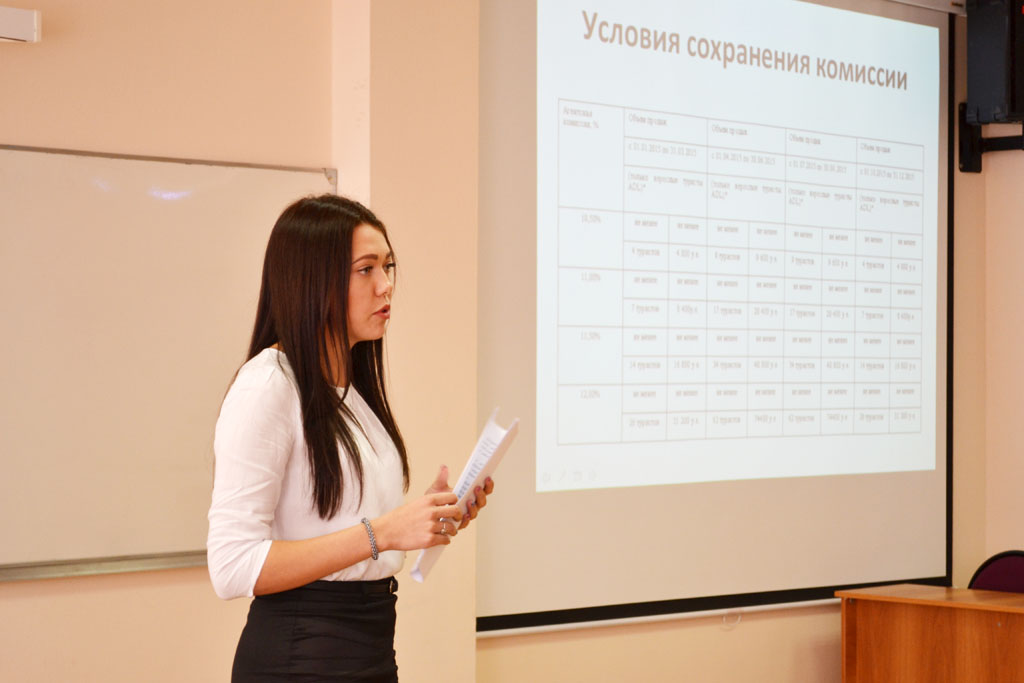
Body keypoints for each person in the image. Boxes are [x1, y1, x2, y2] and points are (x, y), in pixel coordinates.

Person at [207, 194, 493, 682]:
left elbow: (348, 526)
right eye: (366, 269)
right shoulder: (268, 384)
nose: (386, 285)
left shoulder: (350, 391)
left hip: (370, 646)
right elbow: (231, 565)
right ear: (312, 280)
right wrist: (383, 532)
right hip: (301, 657)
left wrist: (426, 518)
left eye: (388, 266)